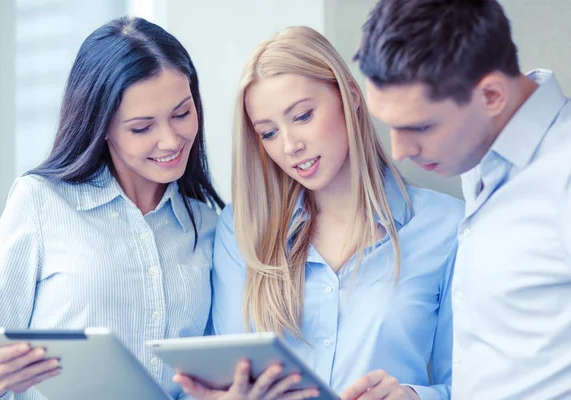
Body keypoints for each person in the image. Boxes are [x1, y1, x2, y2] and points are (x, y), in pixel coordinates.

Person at [174, 26, 464, 400]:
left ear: (350, 95)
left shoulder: (445, 227)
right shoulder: (241, 231)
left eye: (303, 116)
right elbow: (213, 381)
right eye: (268, 133)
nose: (290, 146)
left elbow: (475, 386)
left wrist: (414, 396)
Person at [0, 16, 225, 400]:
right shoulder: (40, 201)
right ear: (101, 125)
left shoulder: (206, 223)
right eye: (142, 128)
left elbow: (201, 376)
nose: (171, 139)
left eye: (182, 113)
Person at [355, 0, 571, 398]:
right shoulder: (480, 157)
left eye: (419, 126)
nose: (399, 151)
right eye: (389, 126)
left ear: (491, 96)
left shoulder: (562, 177)